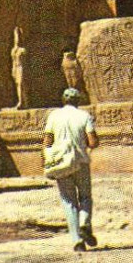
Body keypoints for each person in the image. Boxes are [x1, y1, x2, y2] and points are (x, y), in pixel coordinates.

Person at [43, 88, 99, 251]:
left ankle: (77, 242)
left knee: (68, 201)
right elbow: (93, 141)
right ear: (78, 101)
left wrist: (48, 159)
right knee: (85, 197)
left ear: (63, 100)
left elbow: (47, 141)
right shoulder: (84, 116)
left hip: (61, 163)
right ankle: (84, 223)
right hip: (80, 161)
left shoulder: (53, 116)